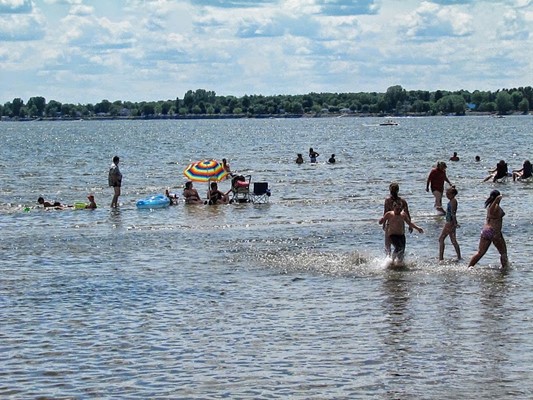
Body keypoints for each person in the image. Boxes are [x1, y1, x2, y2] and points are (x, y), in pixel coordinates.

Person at [468, 190, 509, 269]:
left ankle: (469, 267)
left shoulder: (490, 205)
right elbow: (493, 210)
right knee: (503, 253)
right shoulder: (494, 207)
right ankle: (505, 270)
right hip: (494, 232)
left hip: (486, 231)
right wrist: (498, 199)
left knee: (480, 253)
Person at [379, 201, 424, 266]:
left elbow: (409, 223)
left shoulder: (403, 215)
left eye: (400, 209)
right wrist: (381, 221)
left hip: (401, 235)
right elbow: (382, 220)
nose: (398, 211)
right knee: (398, 247)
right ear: (393, 208)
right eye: (397, 209)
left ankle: (399, 263)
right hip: (392, 235)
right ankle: (391, 260)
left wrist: (417, 228)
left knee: (402, 250)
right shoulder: (389, 214)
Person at [383, 182, 411, 256]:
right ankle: (394, 260)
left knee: (389, 245)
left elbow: (385, 212)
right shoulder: (402, 201)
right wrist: (410, 225)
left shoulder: (389, 200)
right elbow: (407, 213)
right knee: (398, 245)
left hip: (393, 225)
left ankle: (391, 259)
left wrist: (383, 223)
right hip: (397, 225)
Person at [438, 186, 461, 261]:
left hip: (450, 223)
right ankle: (459, 256)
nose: (447, 196)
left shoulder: (453, 201)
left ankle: (441, 258)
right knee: (453, 240)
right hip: (450, 222)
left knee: (441, 239)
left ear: (453, 194)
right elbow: (448, 212)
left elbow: (453, 213)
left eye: (448, 194)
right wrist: (442, 211)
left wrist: (454, 223)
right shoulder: (451, 201)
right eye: (446, 194)